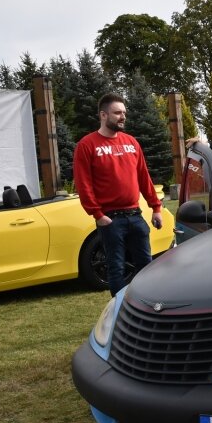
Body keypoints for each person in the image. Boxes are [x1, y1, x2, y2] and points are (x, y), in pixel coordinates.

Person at [72, 93, 164, 297]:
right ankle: (120, 313)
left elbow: (144, 177)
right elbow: (83, 184)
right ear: (103, 115)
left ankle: (146, 307)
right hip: (111, 220)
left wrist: (155, 208)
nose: (122, 117)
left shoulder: (131, 142)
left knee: (146, 266)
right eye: (117, 113)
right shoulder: (87, 145)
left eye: (124, 113)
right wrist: (98, 215)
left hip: (136, 216)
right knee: (116, 267)